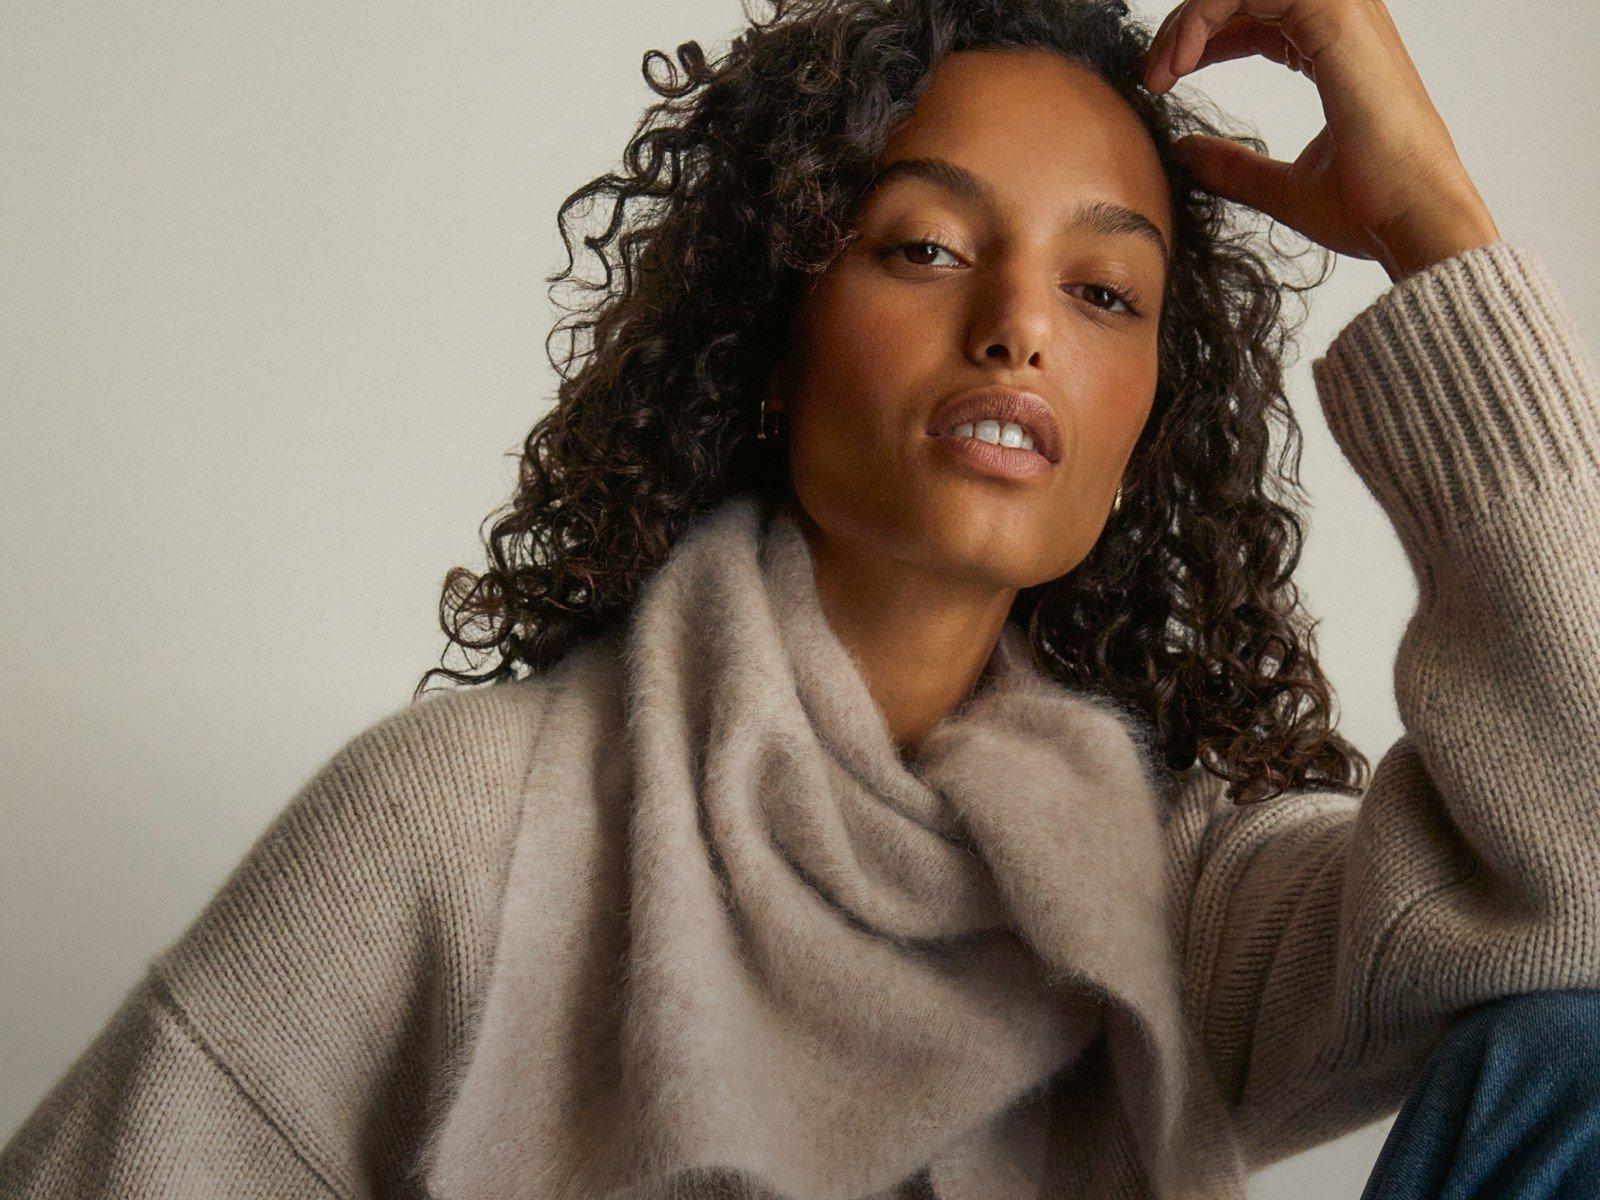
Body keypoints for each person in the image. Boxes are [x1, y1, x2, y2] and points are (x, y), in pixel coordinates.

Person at [4, 0, 1599, 1197]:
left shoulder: (1165, 893)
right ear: (774, 338)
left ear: (1146, 429)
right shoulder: (459, 833)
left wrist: (1428, 225)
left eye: (1104, 291)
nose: (1019, 326)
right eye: (922, 248)